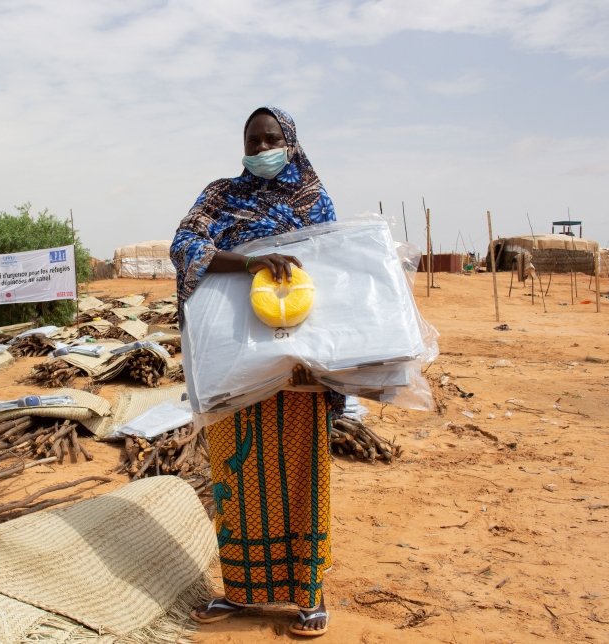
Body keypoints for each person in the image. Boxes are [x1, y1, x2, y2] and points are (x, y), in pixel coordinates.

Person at [170, 106, 344, 637]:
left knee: (300, 476)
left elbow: (338, 275)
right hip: (234, 361)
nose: (261, 147)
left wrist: (321, 360)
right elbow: (185, 245)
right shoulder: (222, 195)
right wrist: (248, 261)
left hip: (297, 365)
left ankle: (309, 594)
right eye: (252, 140)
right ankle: (241, 593)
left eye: (271, 138)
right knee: (238, 478)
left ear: (289, 141)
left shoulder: (313, 201)